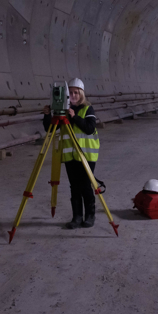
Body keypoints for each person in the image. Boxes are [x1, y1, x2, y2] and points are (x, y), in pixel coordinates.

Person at [43, 78, 100, 229]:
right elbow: (50, 128)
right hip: (70, 156)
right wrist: (48, 115)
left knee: (85, 186)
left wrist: (74, 117)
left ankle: (89, 216)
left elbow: (89, 128)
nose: (73, 95)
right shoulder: (63, 112)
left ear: (81, 94)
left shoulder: (88, 109)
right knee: (74, 187)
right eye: (71, 92)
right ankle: (76, 217)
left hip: (86, 156)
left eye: (76, 92)